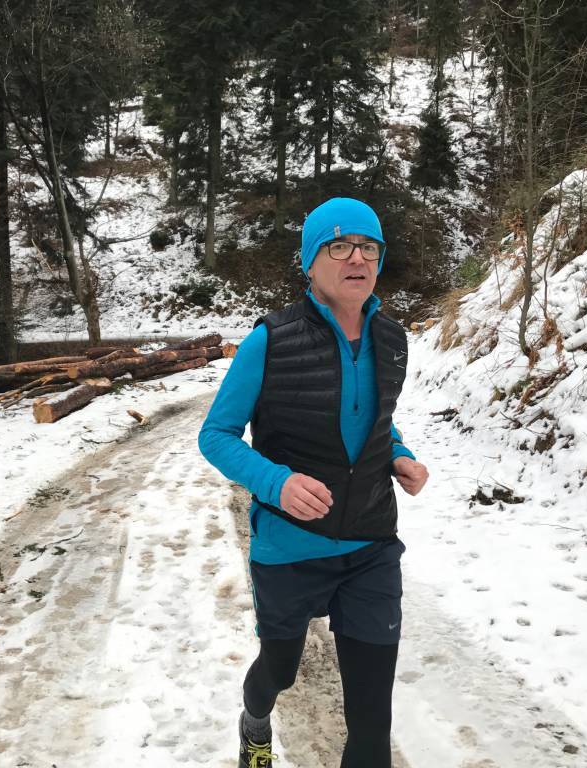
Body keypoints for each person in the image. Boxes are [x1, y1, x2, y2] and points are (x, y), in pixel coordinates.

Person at [198, 197, 429, 768]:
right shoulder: (270, 340)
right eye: (339, 245)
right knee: (278, 671)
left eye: (369, 247)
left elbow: (374, 417)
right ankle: (255, 721)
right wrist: (275, 483)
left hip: (371, 544)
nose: (358, 258)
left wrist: (399, 454)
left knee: (372, 720)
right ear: (310, 261)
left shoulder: (392, 339)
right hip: (290, 549)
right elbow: (217, 435)